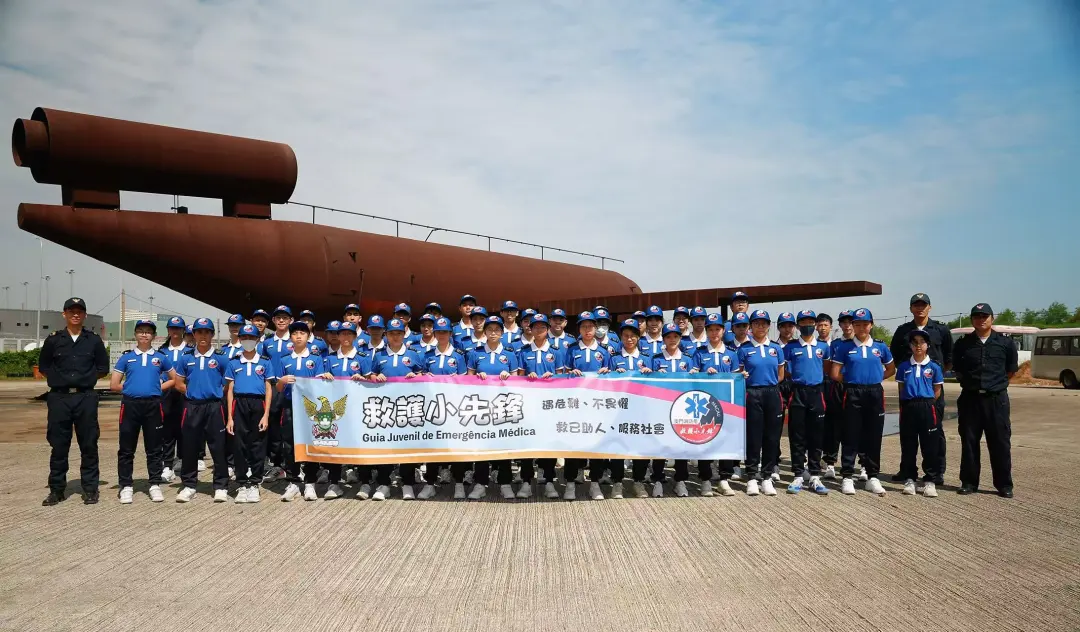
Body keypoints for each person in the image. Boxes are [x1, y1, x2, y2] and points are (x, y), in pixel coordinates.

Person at [39, 297, 110, 506]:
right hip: (59, 398)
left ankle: (90, 489)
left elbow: (102, 368)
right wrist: (61, 381)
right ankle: (56, 490)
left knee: (88, 444)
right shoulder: (54, 340)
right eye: (71, 311)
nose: (75, 314)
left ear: (85, 315)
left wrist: (83, 381)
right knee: (59, 445)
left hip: (85, 397)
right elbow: (44, 367)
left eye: (79, 311)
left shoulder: (93, 340)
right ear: (64, 314)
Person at [952, 303, 1017, 498]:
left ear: (992, 318)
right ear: (972, 320)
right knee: (969, 441)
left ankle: (1004, 484)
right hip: (970, 399)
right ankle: (969, 482)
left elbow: (1010, 370)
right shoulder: (963, 344)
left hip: (996, 399)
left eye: (984, 316)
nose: (981, 320)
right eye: (977, 316)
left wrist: (995, 385)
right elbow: (958, 370)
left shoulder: (1005, 343)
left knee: (1000, 443)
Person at [889, 293, 953, 486]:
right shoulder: (902, 331)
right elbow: (895, 357)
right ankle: (907, 471)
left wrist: (934, 376)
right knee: (907, 434)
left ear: (929, 307)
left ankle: (936, 472)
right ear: (911, 308)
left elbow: (948, 358)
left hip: (931, 391)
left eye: (923, 305)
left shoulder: (941, 330)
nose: (920, 308)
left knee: (934, 433)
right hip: (909, 391)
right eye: (916, 305)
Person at [829, 308, 895, 496]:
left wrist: (875, 378)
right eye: (857, 324)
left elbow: (891, 369)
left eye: (865, 324)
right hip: (852, 392)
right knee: (850, 433)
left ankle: (872, 476)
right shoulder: (844, 347)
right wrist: (852, 381)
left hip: (875, 392)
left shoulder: (880, 346)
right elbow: (834, 373)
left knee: (873, 434)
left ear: (871, 325)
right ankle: (847, 476)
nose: (861, 328)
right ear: (852, 326)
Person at [110, 319, 174, 504]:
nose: (144, 334)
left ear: (154, 336)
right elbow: (114, 384)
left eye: (148, 331)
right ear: (135, 335)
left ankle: (154, 484)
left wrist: (157, 389)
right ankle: (126, 485)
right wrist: (132, 389)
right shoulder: (127, 357)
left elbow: (173, 379)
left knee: (154, 448)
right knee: (126, 448)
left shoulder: (161, 357)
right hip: (130, 405)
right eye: (141, 331)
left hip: (153, 405)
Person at [173, 318, 231, 503]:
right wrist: (193, 393)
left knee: (218, 447)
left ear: (212, 334)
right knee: (189, 447)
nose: (203, 335)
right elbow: (178, 383)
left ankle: (221, 486)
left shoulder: (221, 357)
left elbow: (228, 384)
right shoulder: (186, 357)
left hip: (214, 407)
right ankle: (189, 485)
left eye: (207, 332)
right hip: (192, 407)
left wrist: (214, 393)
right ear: (194, 334)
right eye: (199, 332)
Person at [466, 315, 521, 499]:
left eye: (497, 330)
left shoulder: (510, 354)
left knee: (504, 445)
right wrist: (477, 377)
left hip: (503, 406)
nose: (493, 332)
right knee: (482, 446)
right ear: (485, 332)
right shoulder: (476, 353)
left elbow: (517, 383)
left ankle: (505, 483)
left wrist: (508, 376)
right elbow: (467, 381)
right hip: (481, 406)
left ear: (502, 333)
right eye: (490, 329)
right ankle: (480, 484)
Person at [370, 318, 424, 500]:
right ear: (386, 335)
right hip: (385, 406)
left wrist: (415, 376)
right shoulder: (379, 355)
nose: (395, 336)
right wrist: (376, 377)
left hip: (407, 406)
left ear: (404, 334)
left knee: (407, 445)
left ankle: (407, 484)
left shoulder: (413, 354)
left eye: (399, 333)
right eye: (392, 333)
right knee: (385, 445)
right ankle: (384, 484)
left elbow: (422, 376)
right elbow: (371, 375)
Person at [275, 320, 329, 502]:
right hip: (290, 406)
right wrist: (281, 381)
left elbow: (320, 384)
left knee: (310, 443)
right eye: (295, 333)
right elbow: (278, 388)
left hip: (310, 408)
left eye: (302, 333)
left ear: (308, 336)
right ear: (290, 337)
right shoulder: (285, 360)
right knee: (289, 444)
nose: (298, 336)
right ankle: (293, 481)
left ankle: (310, 482)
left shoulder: (316, 359)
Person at [690, 313, 741, 496]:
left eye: (717, 329)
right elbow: (692, 378)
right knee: (705, 439)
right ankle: (705, 479)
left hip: (727, 403)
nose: (714, 333)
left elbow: (736, 379)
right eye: (710, 329)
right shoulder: (699, 353)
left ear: (723, 330)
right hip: (706, 404)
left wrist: (740, 377)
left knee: (726, 439)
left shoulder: (731, 354)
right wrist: (704, 374)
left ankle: (724, 479)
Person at [323, 321, 375, 498]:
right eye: (342, 333)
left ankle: (365, 483)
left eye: (349, 334)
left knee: (360, 445)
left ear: (354, 336)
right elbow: (320, 385)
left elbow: (371, 383)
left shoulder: (362, 358)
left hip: (357, 409)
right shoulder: (330, 359)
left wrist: (363, 379)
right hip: (335, 410)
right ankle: (334, 483)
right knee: (335, 444)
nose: (346, 337)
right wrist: (324, 377)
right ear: (338, 336)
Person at [418, 317, 468, 499]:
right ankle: (430, 483)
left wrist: (456, 381)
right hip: (433, 407)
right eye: (438, 332)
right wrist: (425, 377)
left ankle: (459, 484)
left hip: (454, 407)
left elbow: (466, 383)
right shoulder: (428, 355)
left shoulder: (458, 356)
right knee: (434, 445)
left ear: (450, 333)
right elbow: (420, 379)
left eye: (445, 332)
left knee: (456, 446)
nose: (441, 335)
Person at [563, 311, 612, 500]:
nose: (587, 330)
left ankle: (595, 483)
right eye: (583, 326)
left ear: (595, 328)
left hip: (597, 406)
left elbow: (610, 379)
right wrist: (571, 373)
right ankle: (570, 482)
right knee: (573, 443)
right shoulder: (572, 350)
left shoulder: (604, 351)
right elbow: (564, 376)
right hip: (576, 406)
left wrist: (607, 372)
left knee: (596, 444)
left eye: (590, 326)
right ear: (579, 329)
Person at [517, 313, 566, 499]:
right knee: (527, 443)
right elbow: (518, 378)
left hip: (549, 405)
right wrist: (526, 378)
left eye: (542, 327)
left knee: (548, 443)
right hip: (528, 405)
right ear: (530, 329)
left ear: (548, 329)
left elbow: (561, 378)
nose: (539, 330)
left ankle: (549, 481)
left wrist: (552, 377)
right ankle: (526, 482)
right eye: (535, 327)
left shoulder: (556, 352)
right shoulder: (523, 351)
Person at [737, 310, 786, 496]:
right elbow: (738, 374)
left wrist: (769, 385)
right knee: (753, 435)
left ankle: (766, 476)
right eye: (756, 323)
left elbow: (780, 375)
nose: (760, 327)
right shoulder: (744, 349)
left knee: (772, 436)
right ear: (751, 326)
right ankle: (751, 476)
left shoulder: (776, 348)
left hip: (772, 393)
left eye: (764, 323)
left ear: (768, 326)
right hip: (752, 393)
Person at [225, 324, 275, 503]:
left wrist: (266, 415)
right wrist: (230, 418)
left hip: (258, 404)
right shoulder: (233, 362)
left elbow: (268, 389)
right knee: (239, 445)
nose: (248, 341)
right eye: (244, 338)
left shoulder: (265, 362)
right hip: (239, 404)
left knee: (258, 444)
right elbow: (230, 390)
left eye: (251, 338)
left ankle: (254, 483)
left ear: (258, 339)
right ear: (239, 340)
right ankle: (241, 483)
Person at [783, 310, 831, 495]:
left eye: (811, 322)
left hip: (817, 393)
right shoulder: (791, 347)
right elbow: (786, 370)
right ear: (798, 326)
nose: (807, 325)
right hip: (797, 392)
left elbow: (826, 368)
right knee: (797, 435)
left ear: (815, 324)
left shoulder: (823, 347)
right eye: (803, 322)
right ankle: (798, 474)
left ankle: (815, 475)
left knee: (816, 435)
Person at [610, 318, 656, 498]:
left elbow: (655, 385)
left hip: (641, 410)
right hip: (619, 410)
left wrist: (650, 374)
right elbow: (607, 385)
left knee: (640, 445)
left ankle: (638, 481)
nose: (629, 339)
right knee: (618, 446)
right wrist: (613, 374)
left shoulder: (646, 359)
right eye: (626, 336)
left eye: (633, 336)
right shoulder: (614, 358)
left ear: (638, 337)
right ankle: (617, 482)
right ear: (621, 337)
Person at [895, 329, 944, 498]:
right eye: (914, 342)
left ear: (927, 345)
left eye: (922, 342)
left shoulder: (934, 367)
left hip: (928, 406)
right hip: (909, 406)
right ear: (910, 345)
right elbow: (901, 387)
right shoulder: (904, 366)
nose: (918, 346)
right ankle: (910, 479)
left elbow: (937, 390)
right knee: (908, 444)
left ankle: (930, 480)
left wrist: (927, 402)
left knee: (930, 445)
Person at [653, 322, 695, 497]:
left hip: (682, 408)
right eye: (668, 337)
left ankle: (680, 480)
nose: (672, 339)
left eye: (676, 336)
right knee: (660, 444)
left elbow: (694, 383)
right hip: (661, 407)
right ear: (663, 339)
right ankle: (657, 479)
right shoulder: (656, 359)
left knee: (681, 444)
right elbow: (648, 383)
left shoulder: (688, 359)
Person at [261, 305, 295, 481]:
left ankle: (294, 465)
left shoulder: (296, 339)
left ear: (291, 320)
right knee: (273, 425)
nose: (281, 320)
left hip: (292, 387)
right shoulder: (267, 343)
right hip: (273, 387)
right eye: (278, 317)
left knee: (291, 425)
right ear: (273, 321)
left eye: (285, 317)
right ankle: (276, 465)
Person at [158, 315, 190, 482]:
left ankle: (184, 461)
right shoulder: (162, 351)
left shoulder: (191, 350)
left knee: (185, 429)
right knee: (168, 431)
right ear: (168, 330)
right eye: (172, 328)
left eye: (178, 328)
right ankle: (167, 465)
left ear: (183, 330)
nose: (175, 331)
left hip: (185, 394)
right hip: (167, 395)